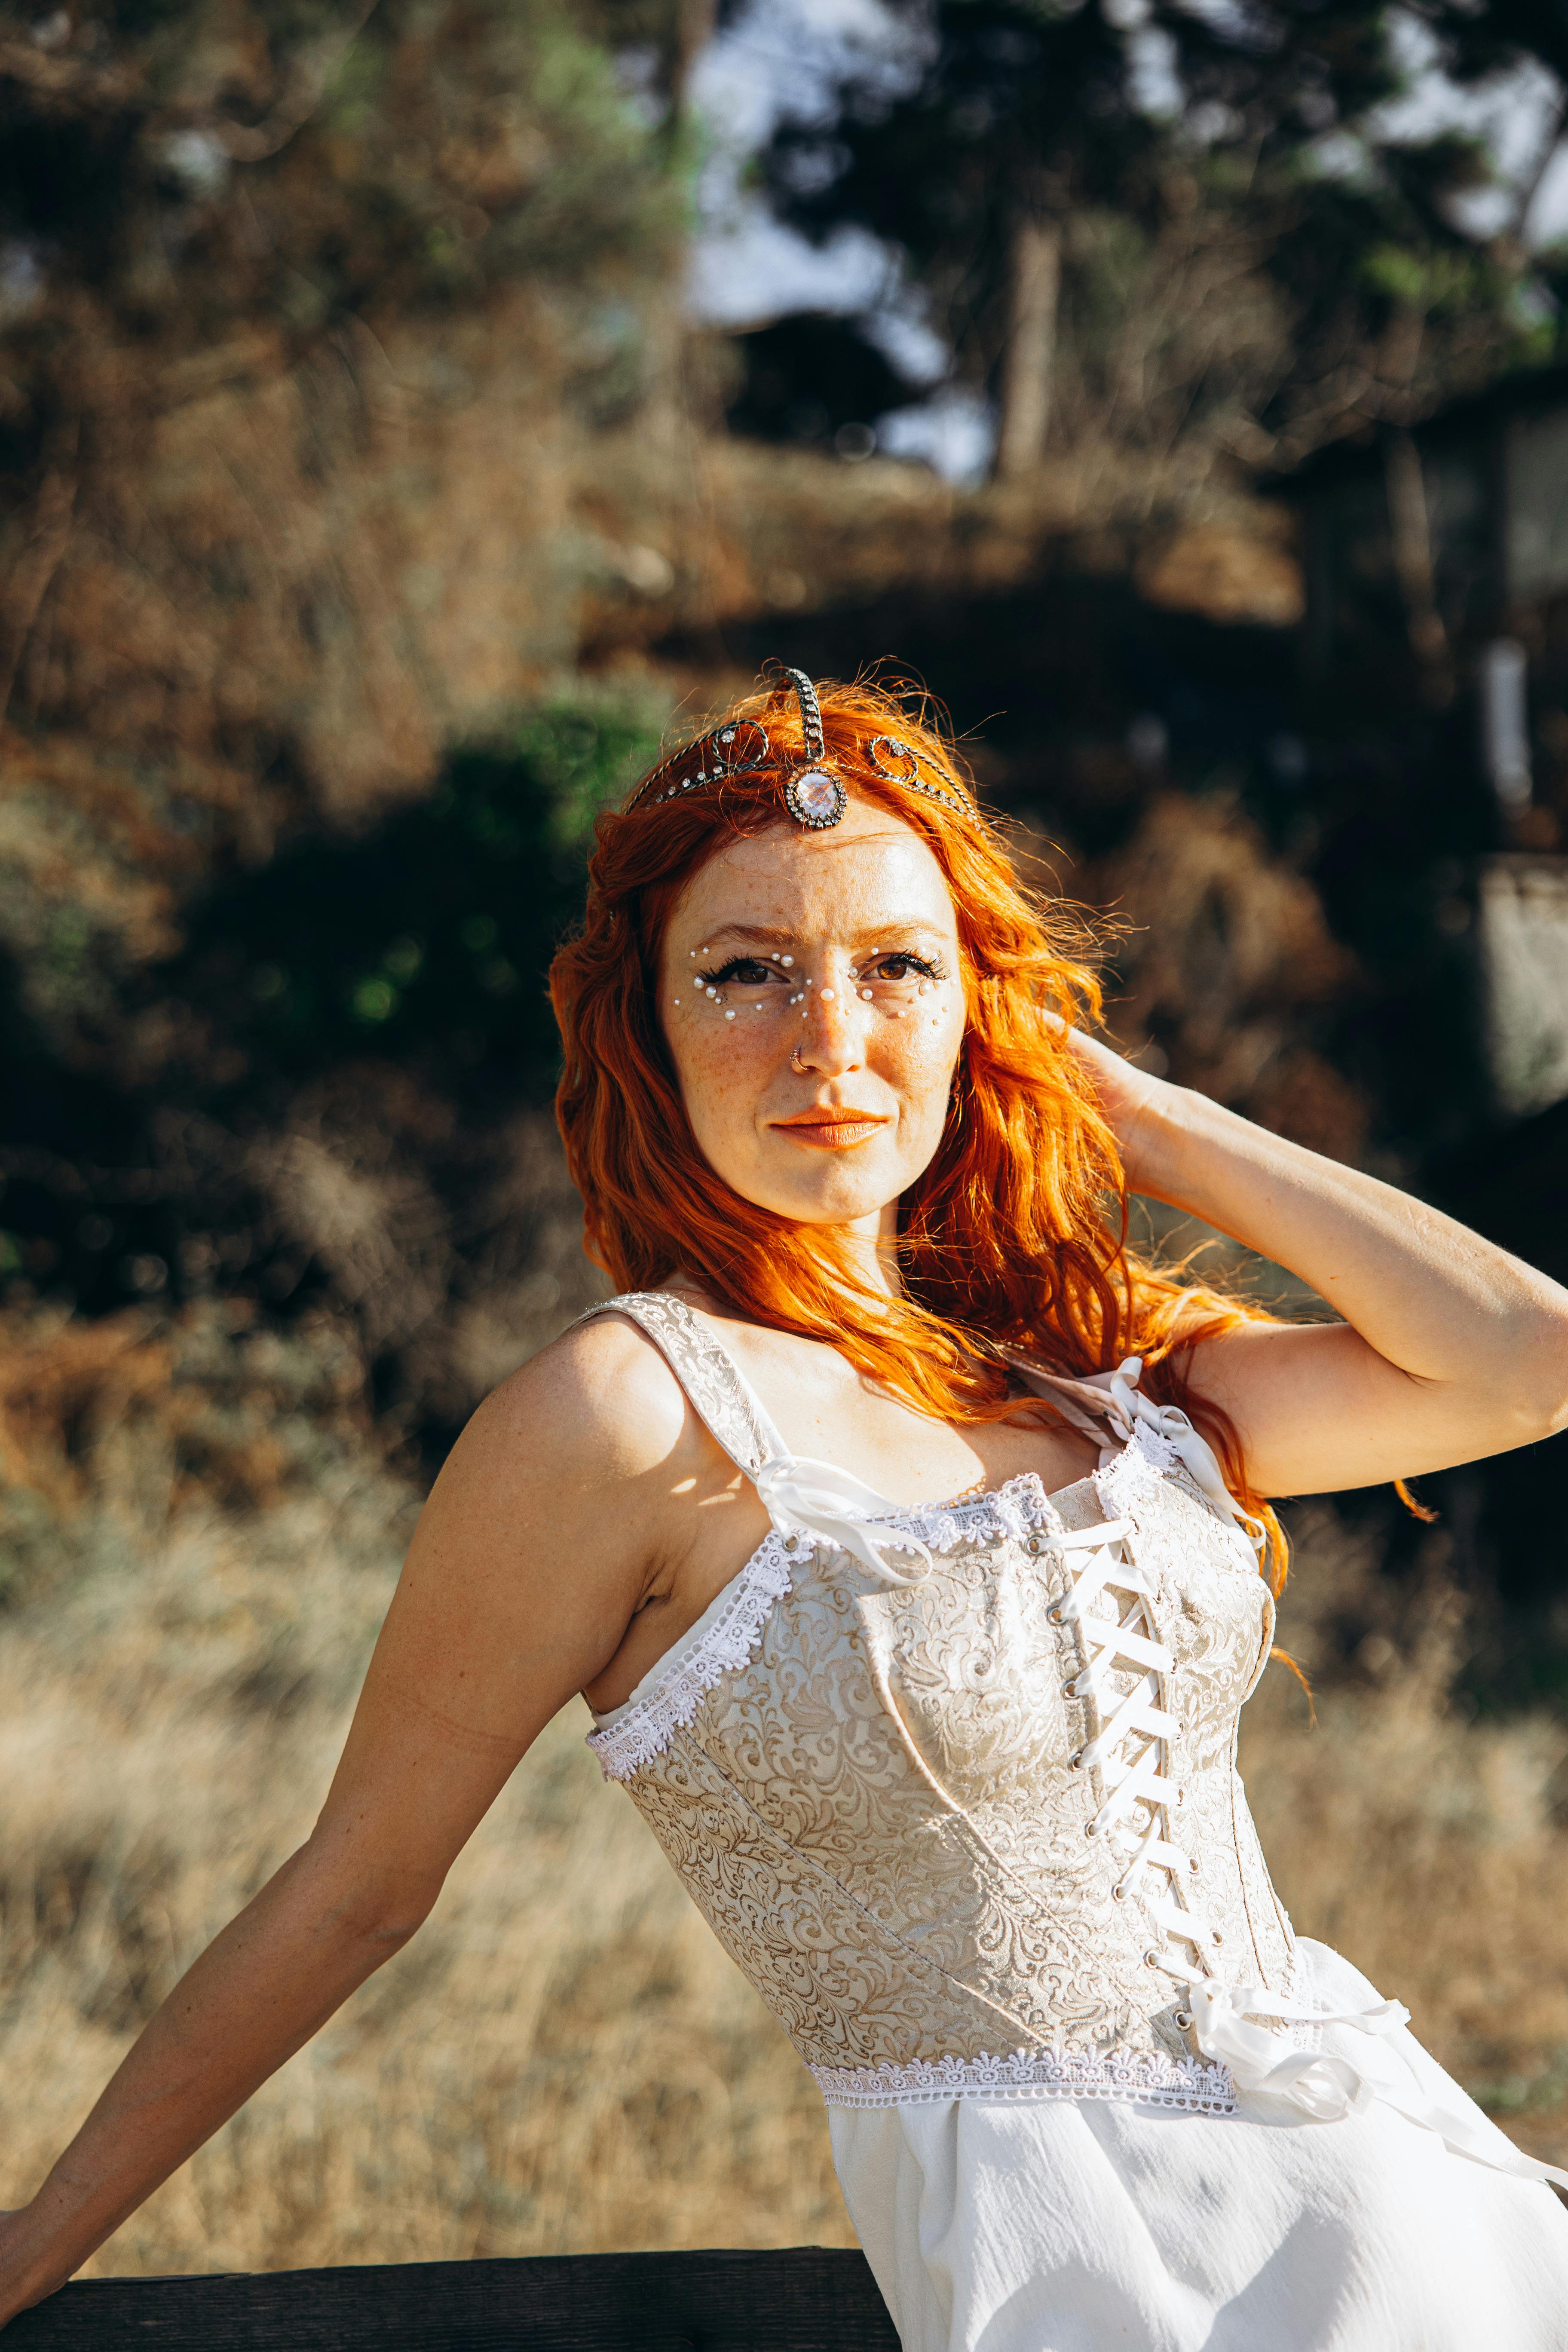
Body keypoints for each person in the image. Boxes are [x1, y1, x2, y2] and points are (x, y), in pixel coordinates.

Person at [3, 669, 1566, 2350]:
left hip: (1397, 2189)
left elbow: (1526, 1362)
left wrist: (1144, 1118)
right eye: (744, 971)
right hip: (1082, 2261)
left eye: (898, 966)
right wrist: (38, 2240)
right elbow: (356, 1892)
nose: (830, 1041)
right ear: (649, 1022)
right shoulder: (622, 1417)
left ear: (986, 1006)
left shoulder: (1097, 1359)